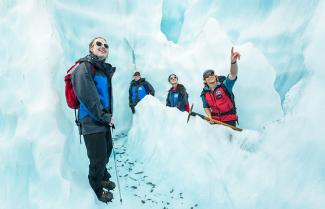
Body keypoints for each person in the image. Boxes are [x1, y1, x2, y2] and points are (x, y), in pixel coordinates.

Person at [71, 37, 116, 203]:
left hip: (102, 120)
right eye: (98, 43)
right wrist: (104, 116)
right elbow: (88, 97)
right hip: (91, 121)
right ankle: (96, 187)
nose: (103, 46)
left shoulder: (101, 70)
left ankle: (102, 176)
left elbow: (103, 97)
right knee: (97, 158)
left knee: (106, 150)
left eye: (106, 45)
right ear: (90, 48)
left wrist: (107, 117)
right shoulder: (84, 67)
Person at [200, 47, 241, 127]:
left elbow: (233, 74)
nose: (210, 76)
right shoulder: (204, 93)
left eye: (212, 74)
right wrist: (210, 117)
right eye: (207, 76)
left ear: (215, 76)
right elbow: (206, 107)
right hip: (215, 121)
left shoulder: (224, 85)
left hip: (229, 120)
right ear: (204, 80)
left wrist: (233, 62)